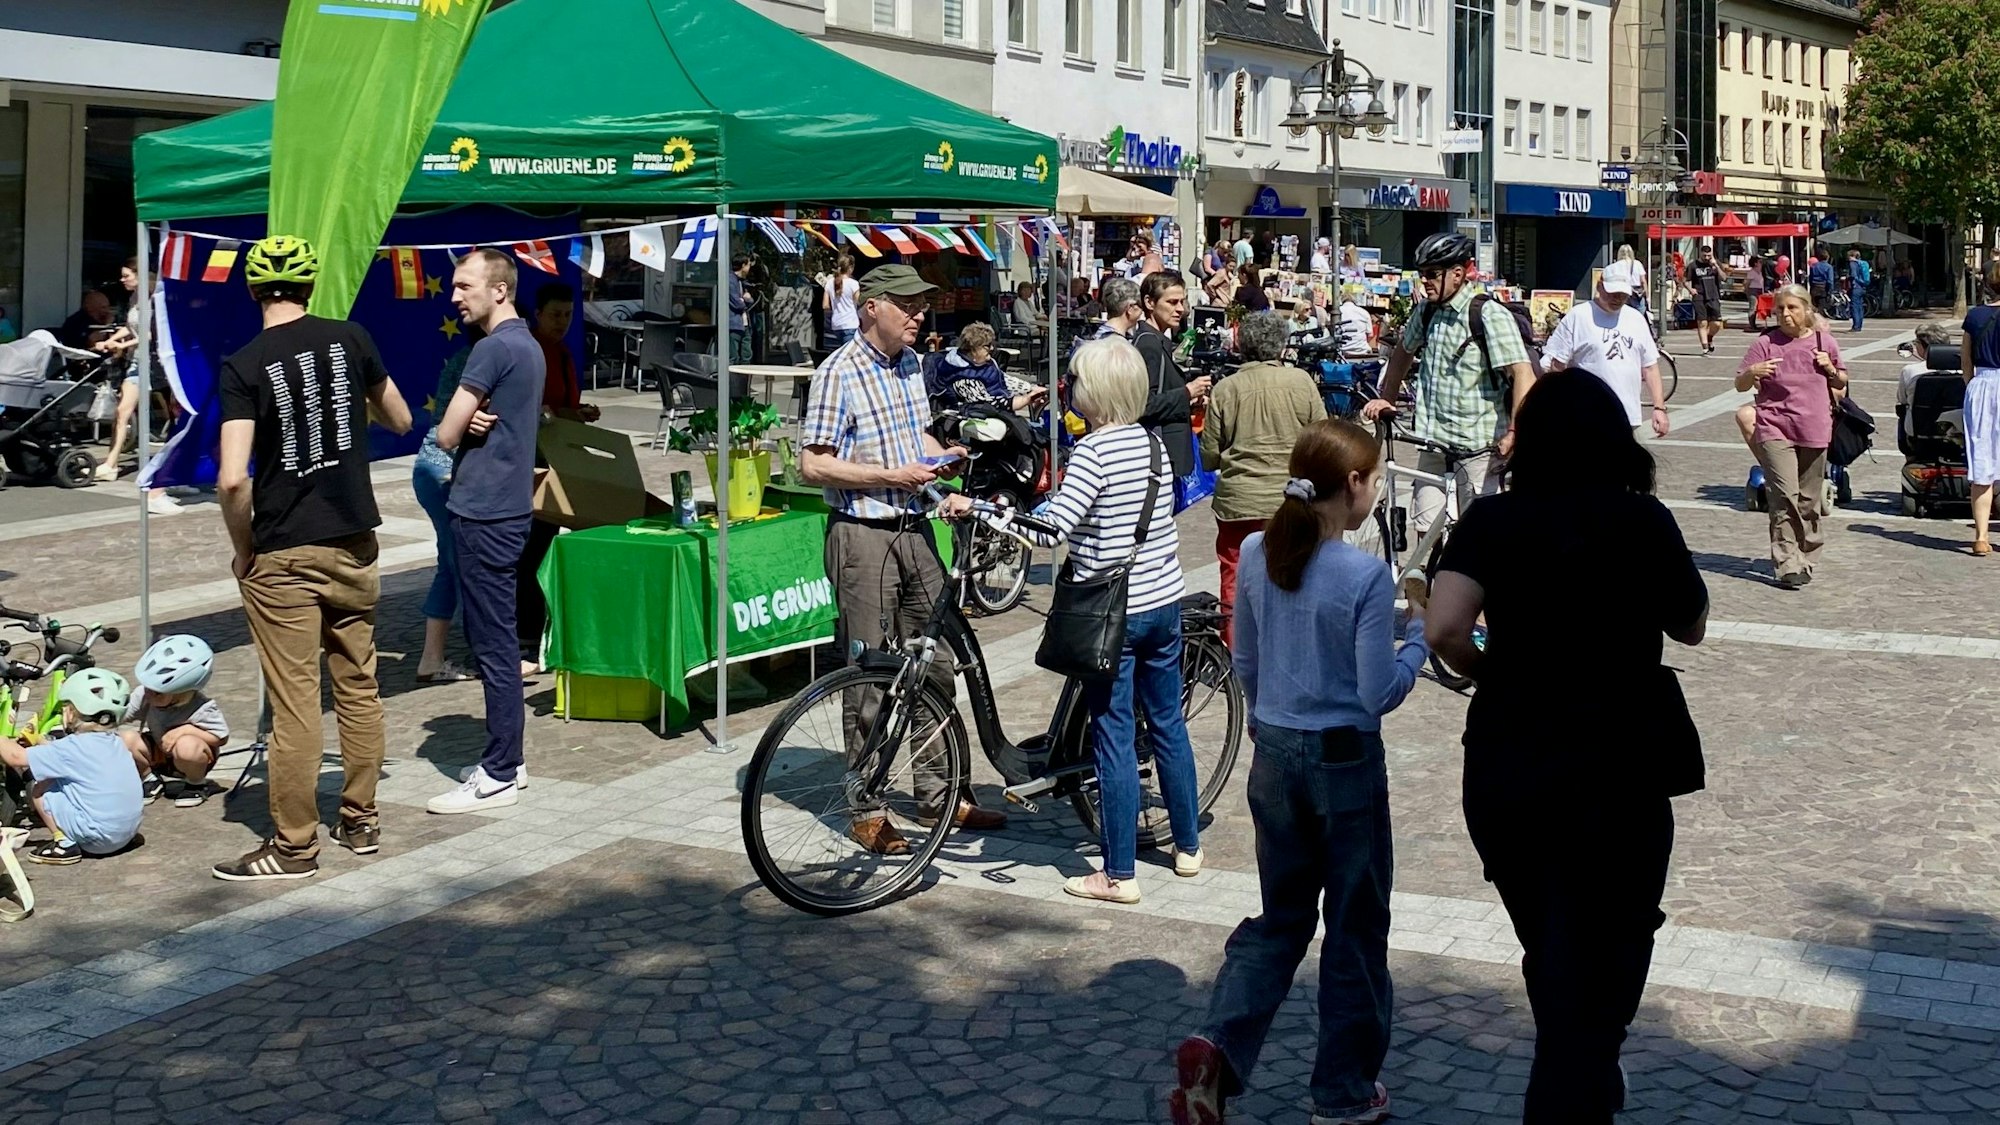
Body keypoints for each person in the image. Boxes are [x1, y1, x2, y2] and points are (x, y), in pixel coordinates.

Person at [1426, 369, 1709, 1125]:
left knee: (1550, 934)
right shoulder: (1643, 520)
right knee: (1614, 936)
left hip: (1511, 753)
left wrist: (1497, 672)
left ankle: (1577, 1067)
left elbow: (1445, 628)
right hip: (1619, 758)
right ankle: (1577, 1082)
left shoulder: (1490, 518)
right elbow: (1690, 623)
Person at [1173, 419, 1427, 1125]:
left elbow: (1244, 658)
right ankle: (1343, 1090)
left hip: (1276, 749)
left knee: (1282, 917)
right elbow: (1379, 691)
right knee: (1353, 924)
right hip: (1343, 757)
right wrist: (1416, 644)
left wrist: (1264, 720)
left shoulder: (1256, 551)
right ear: (1352, 485)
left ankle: (1218, 1043)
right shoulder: (1364, 574)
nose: (1375, 489)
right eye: (1374, 478)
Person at [215, 235, 411, 879]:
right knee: (359, 684)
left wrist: (243, 552)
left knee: (296, 702)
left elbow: (233, 479)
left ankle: (294, 847)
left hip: (284, 550)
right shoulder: (351, 339)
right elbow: (401, 420)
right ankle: (361, 820)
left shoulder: (243, 363)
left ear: (252, 290)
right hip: (354, 541)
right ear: (309, 286)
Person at [799, 264, 1005, 853]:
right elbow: (812, 465)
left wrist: (949, 458)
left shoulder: (911, 365)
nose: (919, 317)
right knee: (869, 678)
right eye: (908, 307)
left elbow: (917, 439)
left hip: (915, 527)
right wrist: (889, 474)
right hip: (863, 535)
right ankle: (865, 808)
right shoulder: (838, 372)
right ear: (871, 308)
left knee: (936, 667)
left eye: (923, 307)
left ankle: (940, 796)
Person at [1012, 338, 1199, 904]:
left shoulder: (1092, 452)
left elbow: (1055, 528)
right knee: (1167, 721)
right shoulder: (1152, 445)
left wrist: (999, 518)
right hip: (1164, 599)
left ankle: (1118, 874)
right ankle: (1187, 846)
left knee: (1114, 735)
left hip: (1114, 612)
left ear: (1092, 392)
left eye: (1074, 380)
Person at [425, 248, 544, 814]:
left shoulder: (492, 348)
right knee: (499, 640)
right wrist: (470, 420)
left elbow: (445, 435)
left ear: (500, 289)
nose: (455, 296)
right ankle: (511, 761)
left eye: (464, 286)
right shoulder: (528, 345)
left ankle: (496, 772)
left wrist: (462, 421)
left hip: (483, 512)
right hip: (509, 509)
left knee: (493, 647)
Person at [1361, 232, 1536, 538]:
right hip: (1433, 443)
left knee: (1478, 538)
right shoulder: (1427, 311)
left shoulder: (1487, 315)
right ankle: (1425, 583)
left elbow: (1522, 374)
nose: (1424, 282)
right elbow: (1403, 351)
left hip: (1479, 450)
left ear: (1458, 274)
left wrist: (1514, 432)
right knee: (1425, 532)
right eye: (1421, 274)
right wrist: (1387, 399)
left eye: (1432, 274)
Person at [1199, 312, 1327, 645]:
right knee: (1291, 573)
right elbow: (1321, 439)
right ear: (1282, 346)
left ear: (1242, 345)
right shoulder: (1301, 382)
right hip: (1289, 499)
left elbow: (1209, 454)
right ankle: (1287, 644)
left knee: (1235, 575)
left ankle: (1236, 646)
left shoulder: (1226, 389)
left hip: (1238, 499)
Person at [1736, 284, 1849, 587]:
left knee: (1809, 500)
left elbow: (1842, 381)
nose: (1785, 314)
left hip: (1814, 427)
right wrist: (1753, 371)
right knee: (1784, 495)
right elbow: (1740, 384)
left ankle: (1808, 550)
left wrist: (1830, 369)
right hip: (1775, 426)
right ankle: (1787, 561)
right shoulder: (1766, 343)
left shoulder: (1825, 342)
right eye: (1780, 309)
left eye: (1792, 308)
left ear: (1807, 310)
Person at [516, 283, 596, 677]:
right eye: (555, 315)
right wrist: (558, 413)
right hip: (533, 465)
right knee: (531, 551)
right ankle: (526, 636)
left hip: (558, 459)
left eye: (567, 315)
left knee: (545, 547)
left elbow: (558, 408)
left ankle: (540, 629)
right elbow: (530, 409)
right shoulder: (530, 350)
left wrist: (576, 412)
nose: (562, 322)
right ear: (537, 314)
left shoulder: (562, 352)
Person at [1, 670, 145, 865]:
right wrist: (39, 741)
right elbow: (66, 757)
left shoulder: (70, 748)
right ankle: (109, 836)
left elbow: (16, 757)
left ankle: (64, 844)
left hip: (98, 840)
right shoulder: (115, 741)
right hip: (126, 834)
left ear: (71, 713)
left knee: (40, 789)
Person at [411, 327, 481, 685]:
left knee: (451, 563)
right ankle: (485, 654)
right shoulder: (482, 360)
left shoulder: (467, 358)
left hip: (434, 467)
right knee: (462, 566)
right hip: (446, 470)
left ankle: (432, 657)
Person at [1541, 273, 1669, 438]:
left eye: (1623, 295)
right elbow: (1556, 366)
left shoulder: (1636, 318)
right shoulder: (1578, 316)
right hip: (1585, 414)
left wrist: (1659, 408)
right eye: (1613, 293)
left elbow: (1650, 367)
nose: (1617, 299)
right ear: (1600, 286)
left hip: (1626, 414)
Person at [123, 634, 227, 809]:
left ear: (182, 692)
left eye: (157, 693)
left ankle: (196, 784)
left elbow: (221, 736)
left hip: (192, 759)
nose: (148, 694)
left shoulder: (202, 707)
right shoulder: (145, 694)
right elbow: (122, 714)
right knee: (125, 738)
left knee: (187, 745)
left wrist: (184, 730)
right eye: (147, 688)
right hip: (159, 754)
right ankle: (149, 778)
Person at [1133, 270, 1211, 480]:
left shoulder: (1156, 340)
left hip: (1166, 453)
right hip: (1160, 455)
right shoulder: (1148, 344)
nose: (1180, 309)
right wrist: (1187, 392)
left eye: (1182, 302)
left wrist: (1192, 399)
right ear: (1150, 303)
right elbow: (1144, 405)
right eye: (1172, 302)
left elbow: (1163, 391)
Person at [1961, 262, 2000, 555]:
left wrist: (1972, 386)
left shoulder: (1974, 316)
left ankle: (1981, 536)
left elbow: (1965, 362)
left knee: (1982, 462)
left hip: (1983, 384)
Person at [926, 321, 1048, 414]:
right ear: (972, 348)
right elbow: (987, 405)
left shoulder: (984, 362)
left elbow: (1003, 379)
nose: (992, 348)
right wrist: (1027, 399)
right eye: (987, 345)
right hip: (979, 420)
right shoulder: (961, 376)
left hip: (998, 414)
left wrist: (1031, 388)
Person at [1686, 245, 1728, 355]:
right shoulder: (1693, 265)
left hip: (1713, 295)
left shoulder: (1715, 263)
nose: (1706, 257)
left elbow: (1724, 278)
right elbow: (1685, 280)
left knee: (1717, 323)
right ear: (1700, 253)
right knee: (1702, 322)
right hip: (1699, 296)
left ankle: (1709, 337)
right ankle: (1704, 347)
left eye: (1709, 255)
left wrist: (1716, 266)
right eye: (1704, 255)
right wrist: (1690, 289)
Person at [822, 254, 860, 346]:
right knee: (849, 355)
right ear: (850, 268)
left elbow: (825, 306)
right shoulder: (853, 284)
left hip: (836, 325)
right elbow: (859, 302)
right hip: (851, 324)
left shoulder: (830, 283)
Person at [1337, 294, 1376, 360]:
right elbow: (1370, 335)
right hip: (1361, 351)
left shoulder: (1337, 312)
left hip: (1342, 351)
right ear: (1355, 301)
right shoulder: (1364, 312)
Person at [1741, 249, 1767, 330]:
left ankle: (1754, 323)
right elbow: (1747, 282)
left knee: (1758, 308)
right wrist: (1746, 291)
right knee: (1753, 307)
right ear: (1755, 263)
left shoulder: (1761, 272)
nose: (1761, 263)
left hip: (1759, 290)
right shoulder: (1752, 272)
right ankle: (1752, 324)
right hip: (1753, 290)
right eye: (1759, 262)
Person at [1847, 249, 1871, 331]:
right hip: (1863, 287)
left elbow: (1853, 275)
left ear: (1852, 256)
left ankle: (1856, 326)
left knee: (1855, 307)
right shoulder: (1863, 263)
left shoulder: (1853, 264)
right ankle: (1859, 325)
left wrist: (1847, 278)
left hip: (1856, 287)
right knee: (1860, 307)